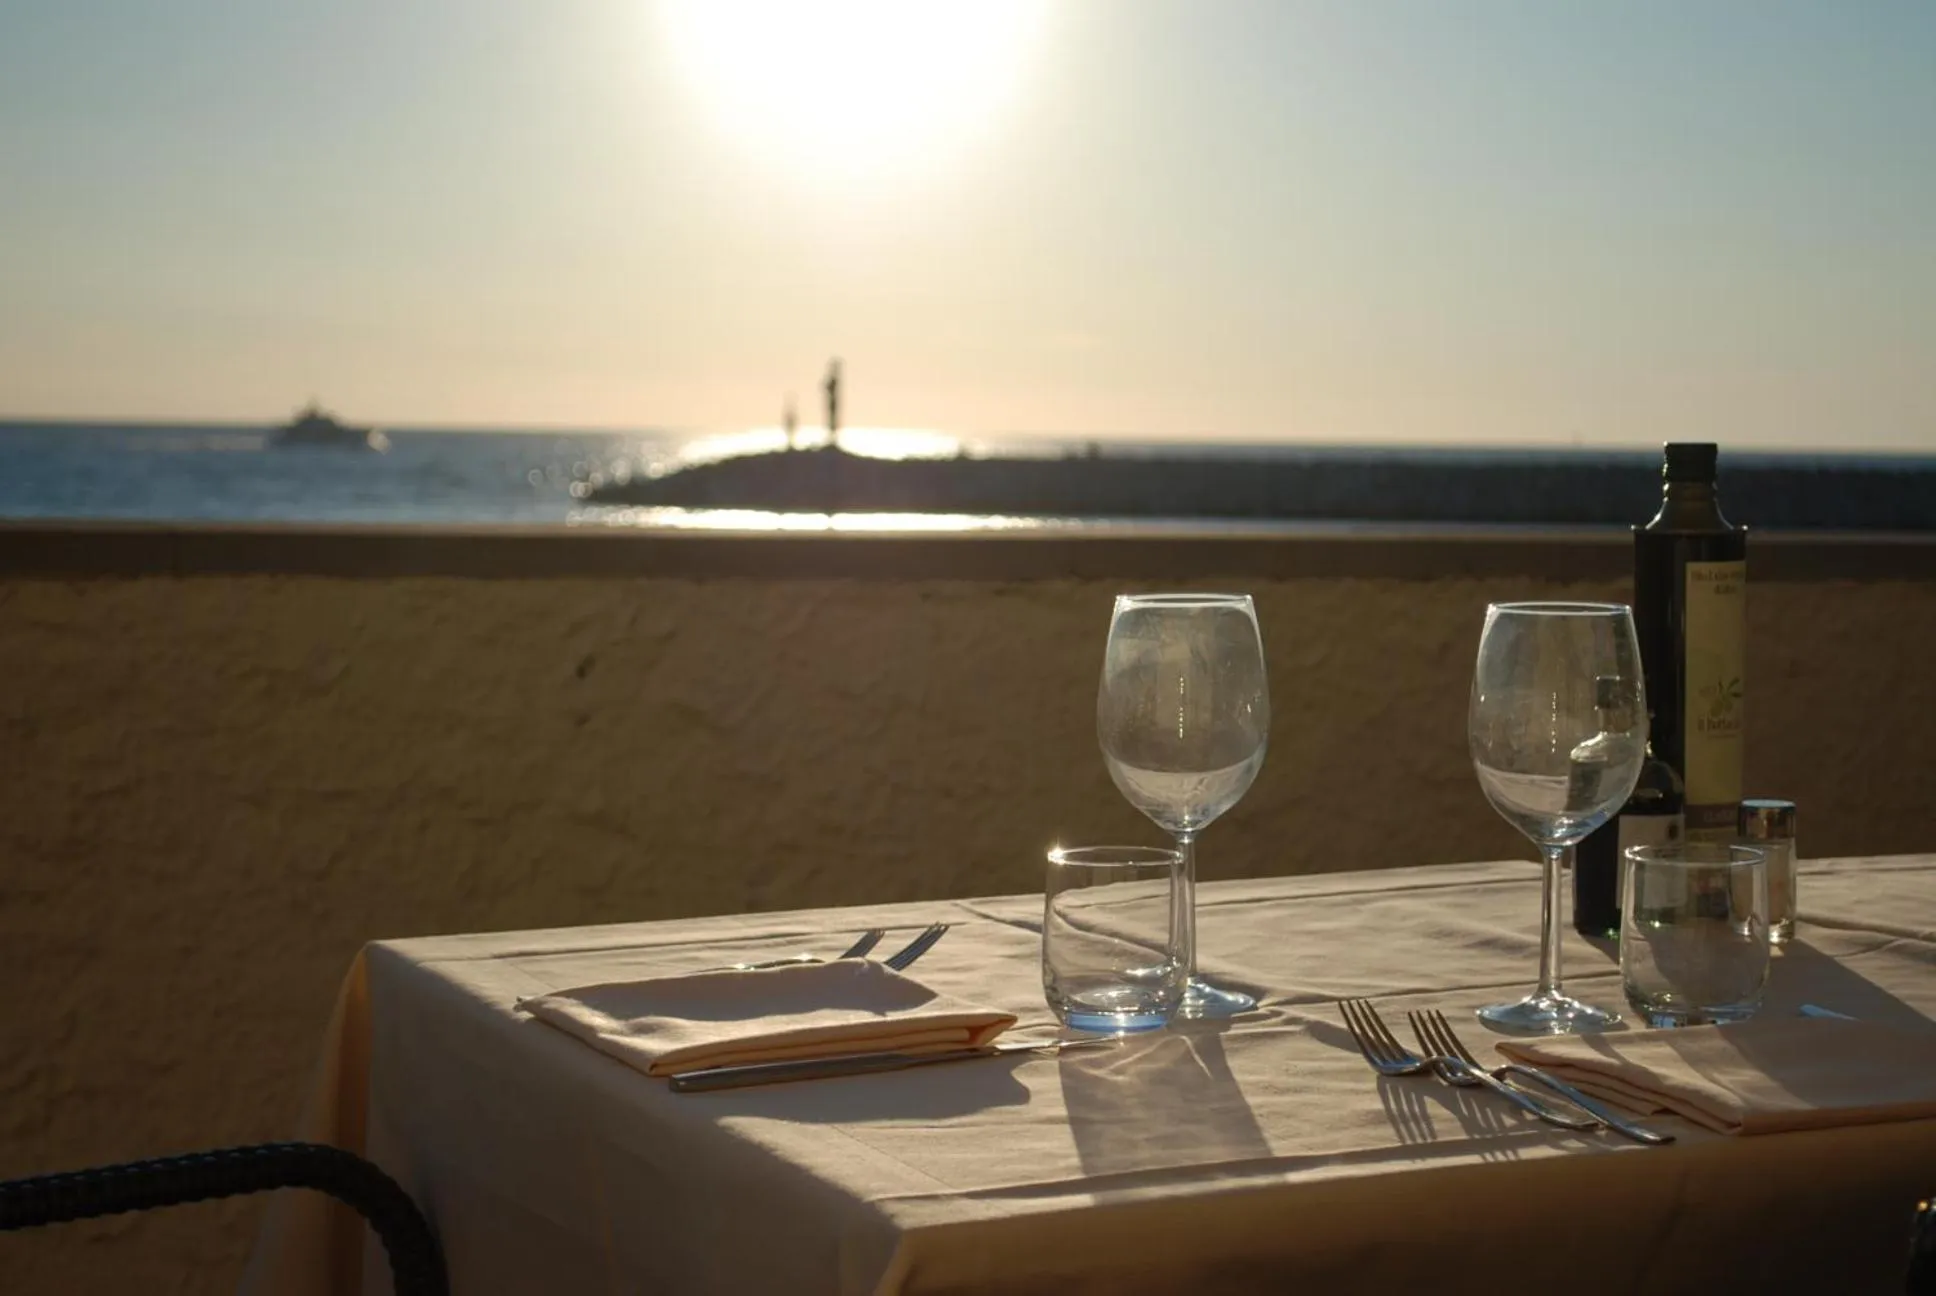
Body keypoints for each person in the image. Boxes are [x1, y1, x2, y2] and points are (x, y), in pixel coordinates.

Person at [823, 359, 842, 448]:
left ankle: (832, 439)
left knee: (832, 420)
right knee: (832, 420)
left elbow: (827, 387)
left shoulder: (834, 380)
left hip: (833, 402)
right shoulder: (835, 380)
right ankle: (832, 438)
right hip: (832, 401)